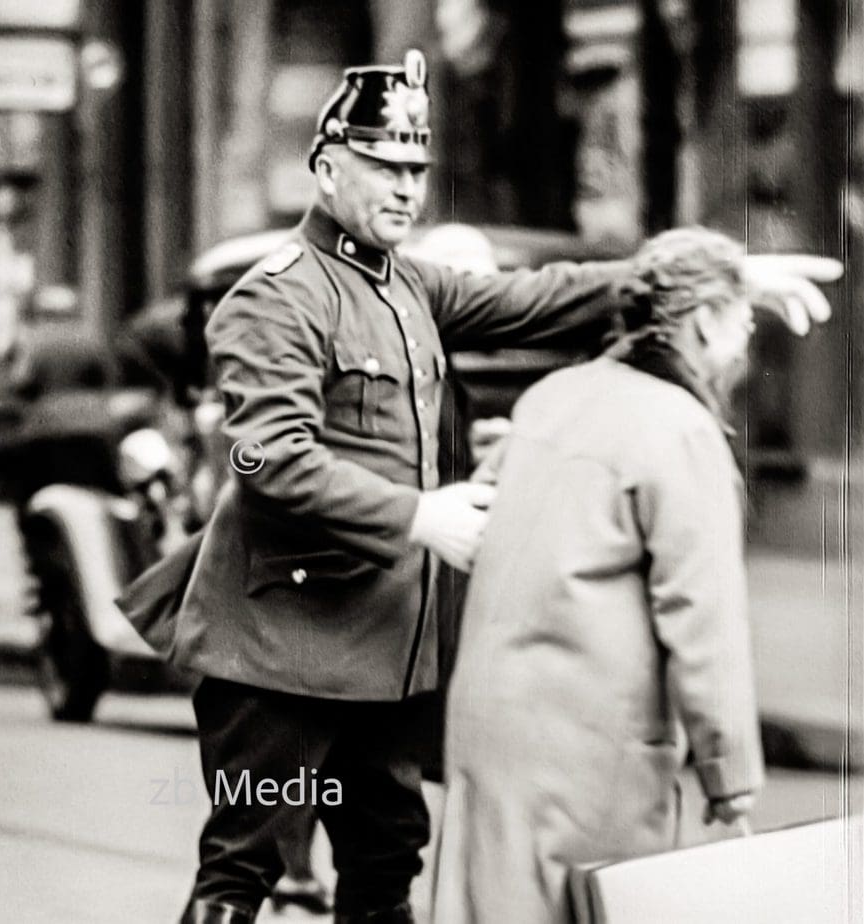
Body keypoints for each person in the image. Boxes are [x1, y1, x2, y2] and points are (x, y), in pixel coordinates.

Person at [116, 49, 835, 924]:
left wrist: (709, 286)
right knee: (244, 865)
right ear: (326, 166)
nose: (403, 188)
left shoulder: (408, 286)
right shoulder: (272, 299)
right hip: (279, 650)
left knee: (385, 867)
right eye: (382, 166)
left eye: (415, 169)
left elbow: (541, 299)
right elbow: (266, 458)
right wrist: (417, 515)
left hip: (383, 649)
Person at [431, 228, 772, 923]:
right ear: (704, 321)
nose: (743, 348)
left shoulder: (551, 396)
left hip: (487, 725)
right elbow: (703, 618)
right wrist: (729, 776)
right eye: (743, 323)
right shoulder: (681, 430)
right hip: (588, 747)